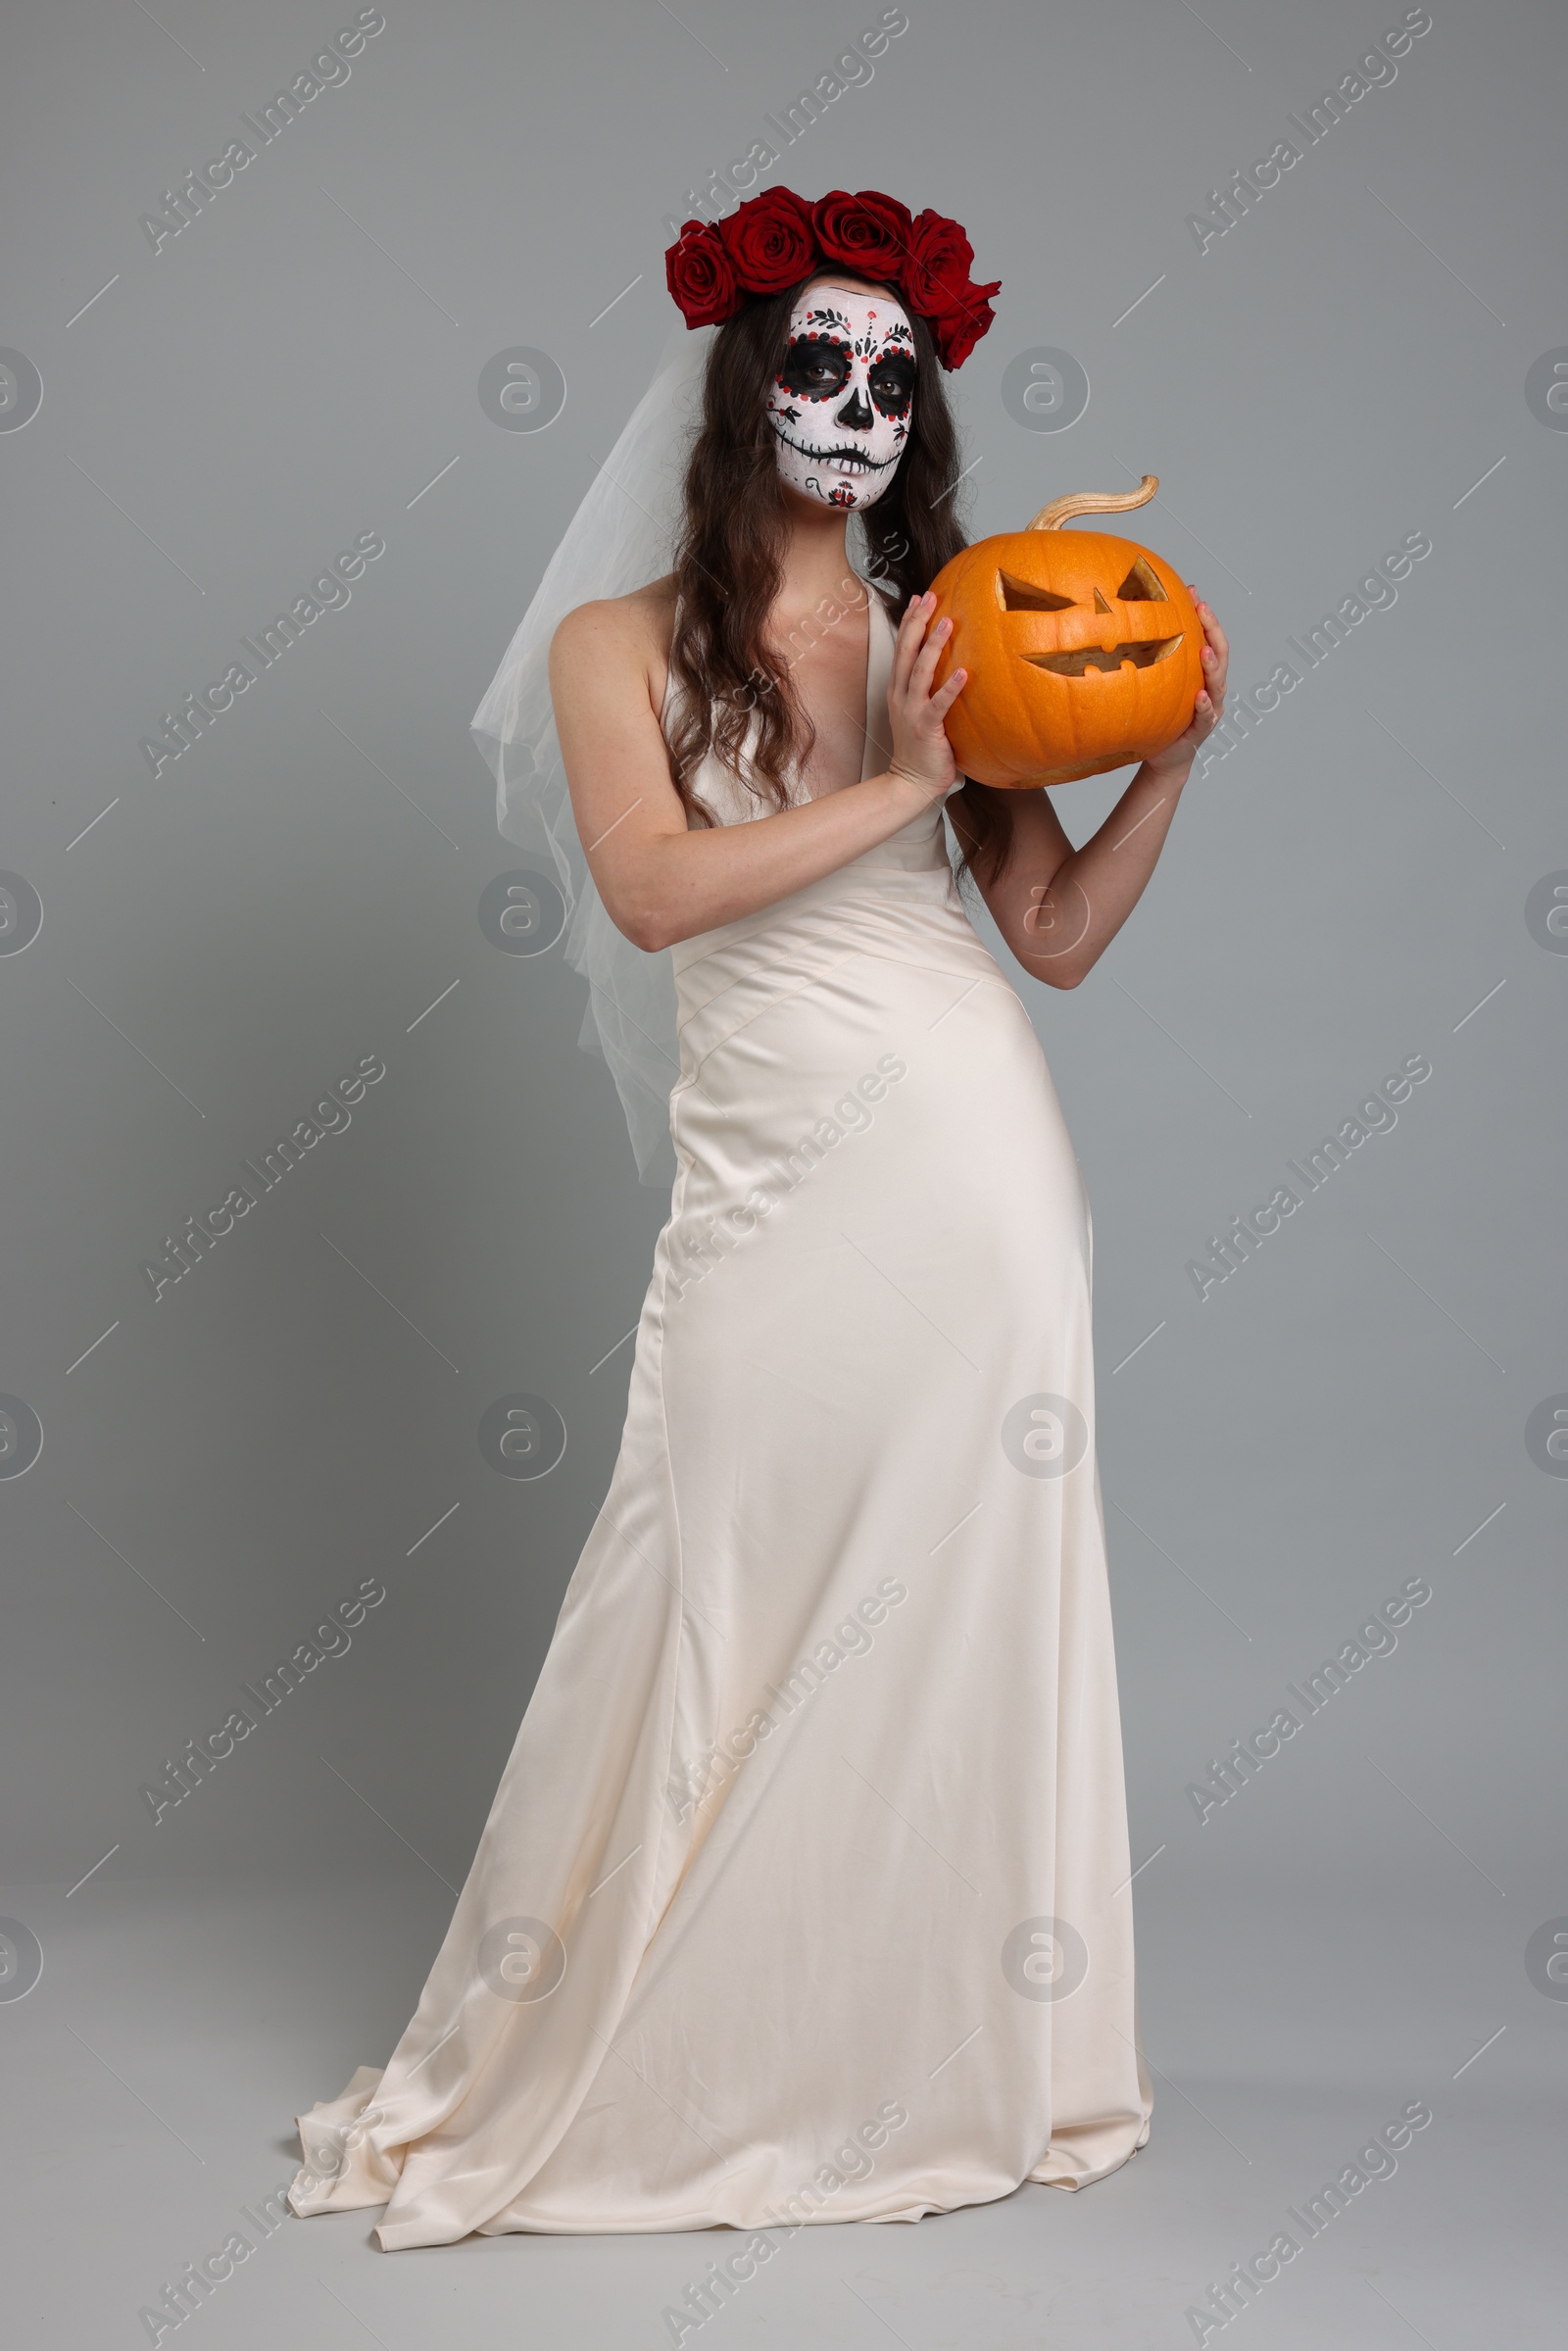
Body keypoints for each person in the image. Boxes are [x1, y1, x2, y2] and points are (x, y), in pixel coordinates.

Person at [287, 186, 1228, 2252]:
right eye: (819, 362)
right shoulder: (610, 642)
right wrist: (901, 776)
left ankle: (929, 2049)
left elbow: (1050, 936)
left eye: (895, 375)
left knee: (960, 1586)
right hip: (774, 1172)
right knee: (702, 1564)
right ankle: (668, 2048)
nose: (860, 403)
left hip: (973, 1169)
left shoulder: (950, 629)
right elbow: (646, 889)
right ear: (739, 387)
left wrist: (1164, 768)